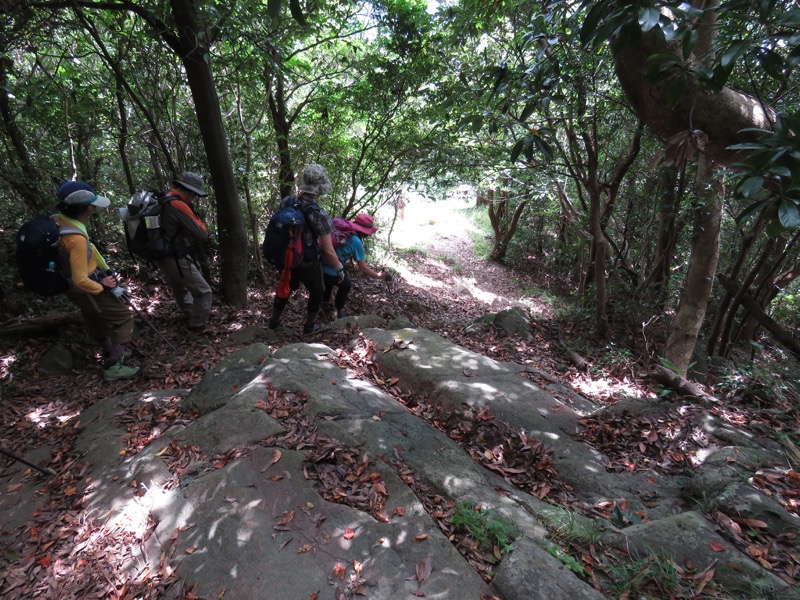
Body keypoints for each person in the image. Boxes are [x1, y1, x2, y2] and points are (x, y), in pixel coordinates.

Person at [54, 180, 141, 381]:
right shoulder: (75, 239)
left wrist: (105, 269)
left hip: (77, 288)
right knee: (123, 317)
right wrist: (103, 286)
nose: (94, 207)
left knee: (93, 315)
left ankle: (111, 350)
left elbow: (90, 248)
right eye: (91, 204)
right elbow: (80, 280)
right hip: (85, 288)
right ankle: (114, 366)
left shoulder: (61, 222)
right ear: (82, 208)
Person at [268, 164, 343, 335]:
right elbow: (329, 252)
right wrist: (339, 270)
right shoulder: (320, 213)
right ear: (321, 188)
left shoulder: (288, 201)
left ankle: (273, 323)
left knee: (285, 287)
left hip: (287, 257)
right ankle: (309, 327)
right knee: (318, 291)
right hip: (308, 261)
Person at [153, 172, 213, 333]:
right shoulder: (178, 205)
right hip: (175, 256)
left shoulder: (165, 198)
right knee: (204, 291)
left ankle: (189, 313)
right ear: (190, 191)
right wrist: (197, 218)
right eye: (195, 195)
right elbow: (202, 234)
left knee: (181, 286)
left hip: (163, 254)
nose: (195, 199)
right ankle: (197, 326)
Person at [322, 213, 390, 319]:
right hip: (333, 270)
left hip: (320, 265)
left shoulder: (343, 231)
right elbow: (362, 267)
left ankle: (324, 302)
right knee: (346, 285)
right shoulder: (356, 242)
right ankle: (340, 310)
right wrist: (377, 275)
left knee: (331, 280)